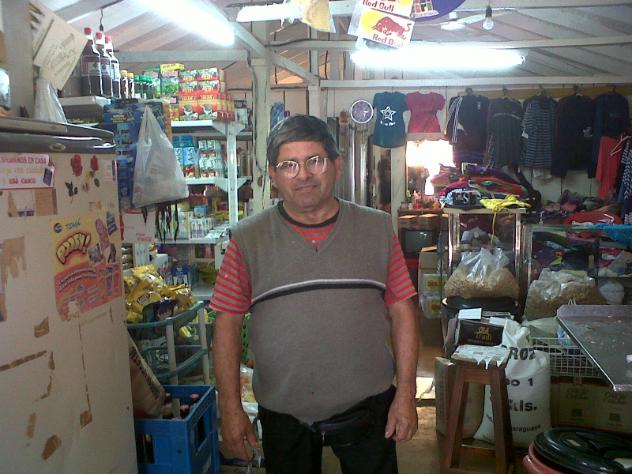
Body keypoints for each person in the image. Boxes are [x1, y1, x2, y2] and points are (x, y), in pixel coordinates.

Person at [212, 114, 419, 474]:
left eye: (315, 161)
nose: (303, 175)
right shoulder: (248, 239)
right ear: (273, 175)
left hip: (369, 407)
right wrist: (230, 409)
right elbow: (226, 324)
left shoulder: (376, 228)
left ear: (337, 165)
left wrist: (406, 393)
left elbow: (403, 311)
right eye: (289, 165)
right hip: (283, 412)